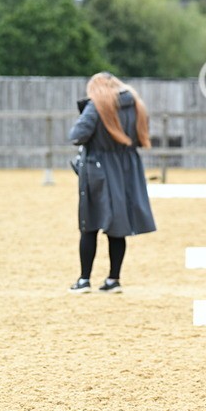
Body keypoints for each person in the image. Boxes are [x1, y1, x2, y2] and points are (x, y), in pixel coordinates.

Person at [67, 72, 157, 292]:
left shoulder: (97, 105)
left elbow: (77, 135)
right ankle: (113, 279)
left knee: (89, 224)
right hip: (126, 169)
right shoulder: (137, 105)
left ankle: (84, 280)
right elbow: (140, 136)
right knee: (119, 224)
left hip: (98, 169)